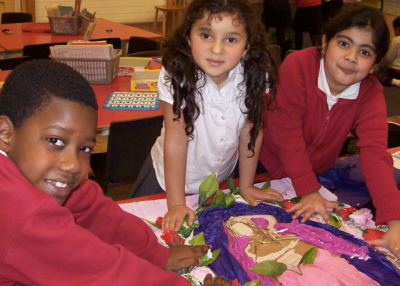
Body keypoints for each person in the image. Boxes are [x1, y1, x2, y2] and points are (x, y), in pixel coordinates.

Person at [0, 60, 231, 286]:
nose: (73, 165)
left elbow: (94, 210)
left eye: (84, 149)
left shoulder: (33, 171)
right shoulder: (19, 210)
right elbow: (101, 273)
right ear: (5, 133)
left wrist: (156, 254)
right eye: (54, 141)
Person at [259, 6, 400, 259]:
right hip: (261, 164)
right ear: (324, 42)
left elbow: (375, 153)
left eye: (365, 52)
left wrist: (395, 222)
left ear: (376, 63)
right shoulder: (298, 65)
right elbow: (286, 133)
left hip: (312, 174)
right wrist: (309, 190)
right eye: (344, 43)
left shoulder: (370, 93)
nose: (351, 57)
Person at [129, 0, 284, 231]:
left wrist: (247, 186)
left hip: (218, 180)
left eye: (231, 40)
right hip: (167, 182)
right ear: (188, 37)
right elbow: (176, 140)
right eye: (206, 36)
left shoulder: (256, 74)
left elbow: (251, 131)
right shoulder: (176, 72)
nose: (217, 49)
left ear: (247, 45)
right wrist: (176, 204)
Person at [380, 16, 400, 87]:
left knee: (379, 77)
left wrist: (382, 63)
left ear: (397, 28)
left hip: (395, 70)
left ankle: (394, 81)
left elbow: (389, 58)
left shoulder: (396, 40)